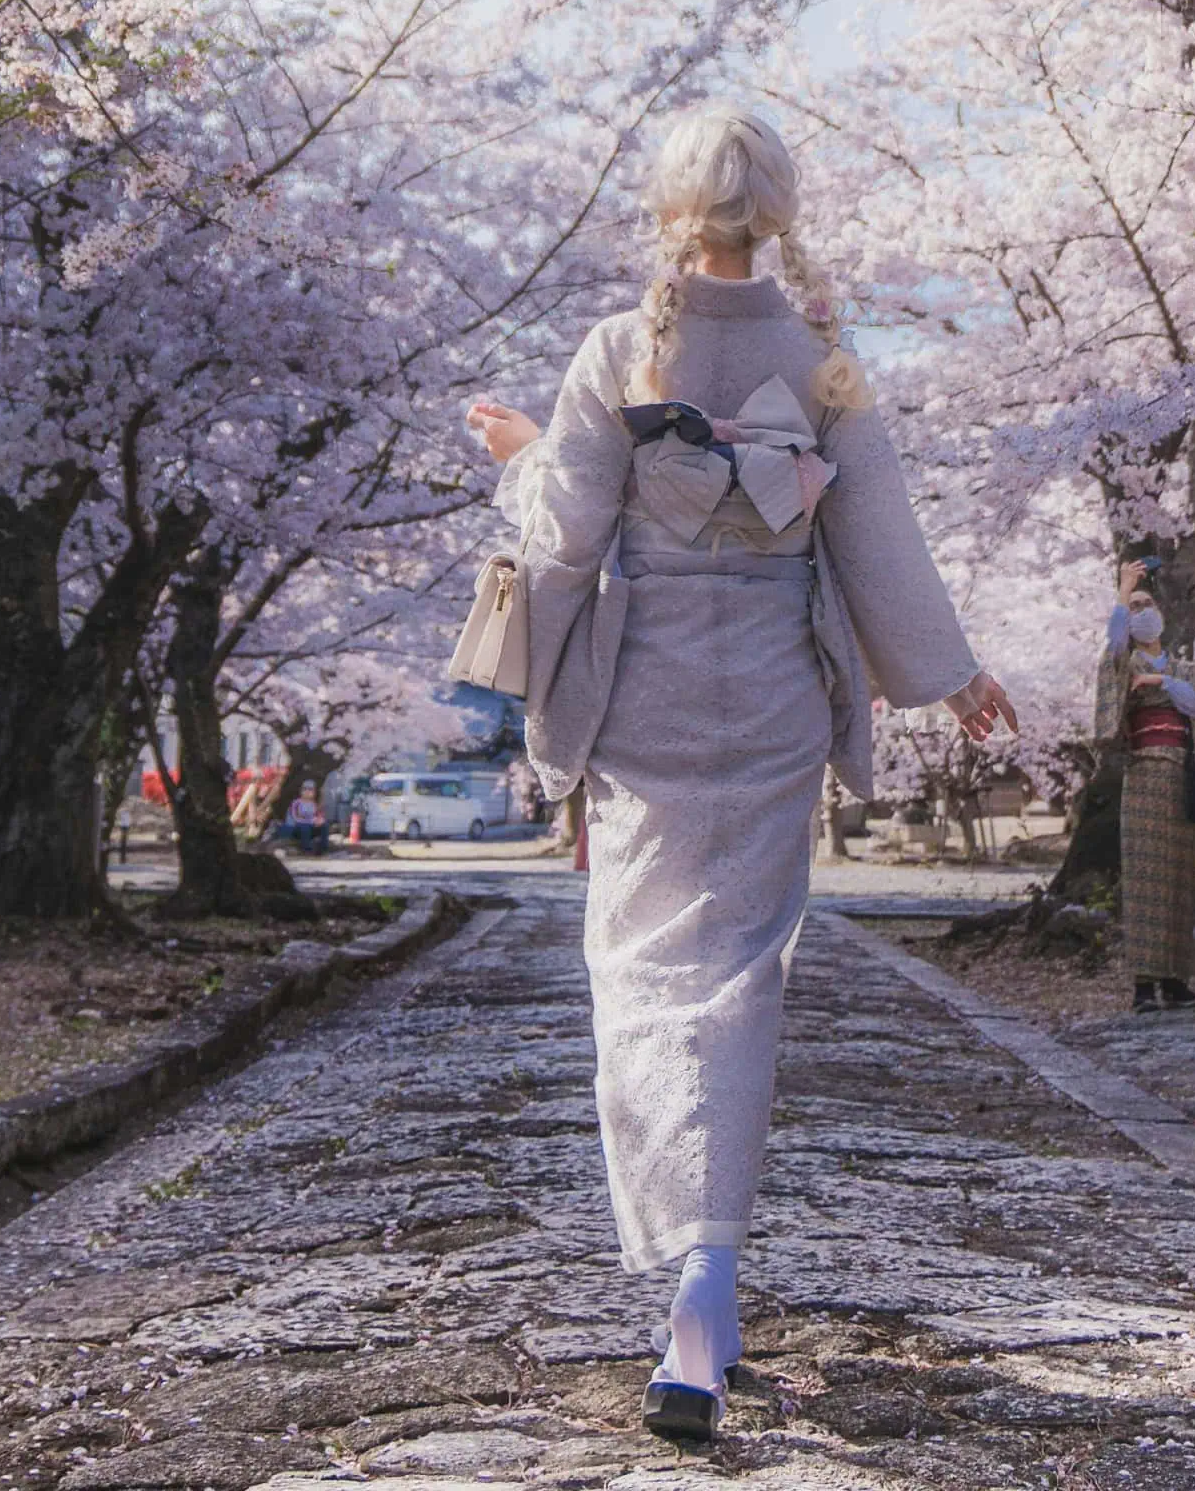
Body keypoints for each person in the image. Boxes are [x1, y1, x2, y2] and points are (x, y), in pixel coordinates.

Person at [467, 103, 1015, 1446]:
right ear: (777, 207)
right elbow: (878, 529)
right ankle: (707, 1293)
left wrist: (521, 455)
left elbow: (562, 545)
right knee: (743, 976)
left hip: (648, 695)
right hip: (771, 692)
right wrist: (950, 673)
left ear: (670, 208)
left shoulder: (618, 351)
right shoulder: (822, 355)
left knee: (645, 974)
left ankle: (686, 1279)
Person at [1092, 556, 1195, 1014]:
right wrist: (1124, 586)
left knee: (1180, 878)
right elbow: (1114, 643)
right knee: (1143, 879)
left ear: (1160, 613)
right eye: (1133, 607)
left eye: (1145, 603)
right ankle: (1143, 984)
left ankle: (1176, 980)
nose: (1140, 611)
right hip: (1144, 774)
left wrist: (1161, 679)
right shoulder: (1122, 661)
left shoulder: (1182, 668)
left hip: (1181, 777)